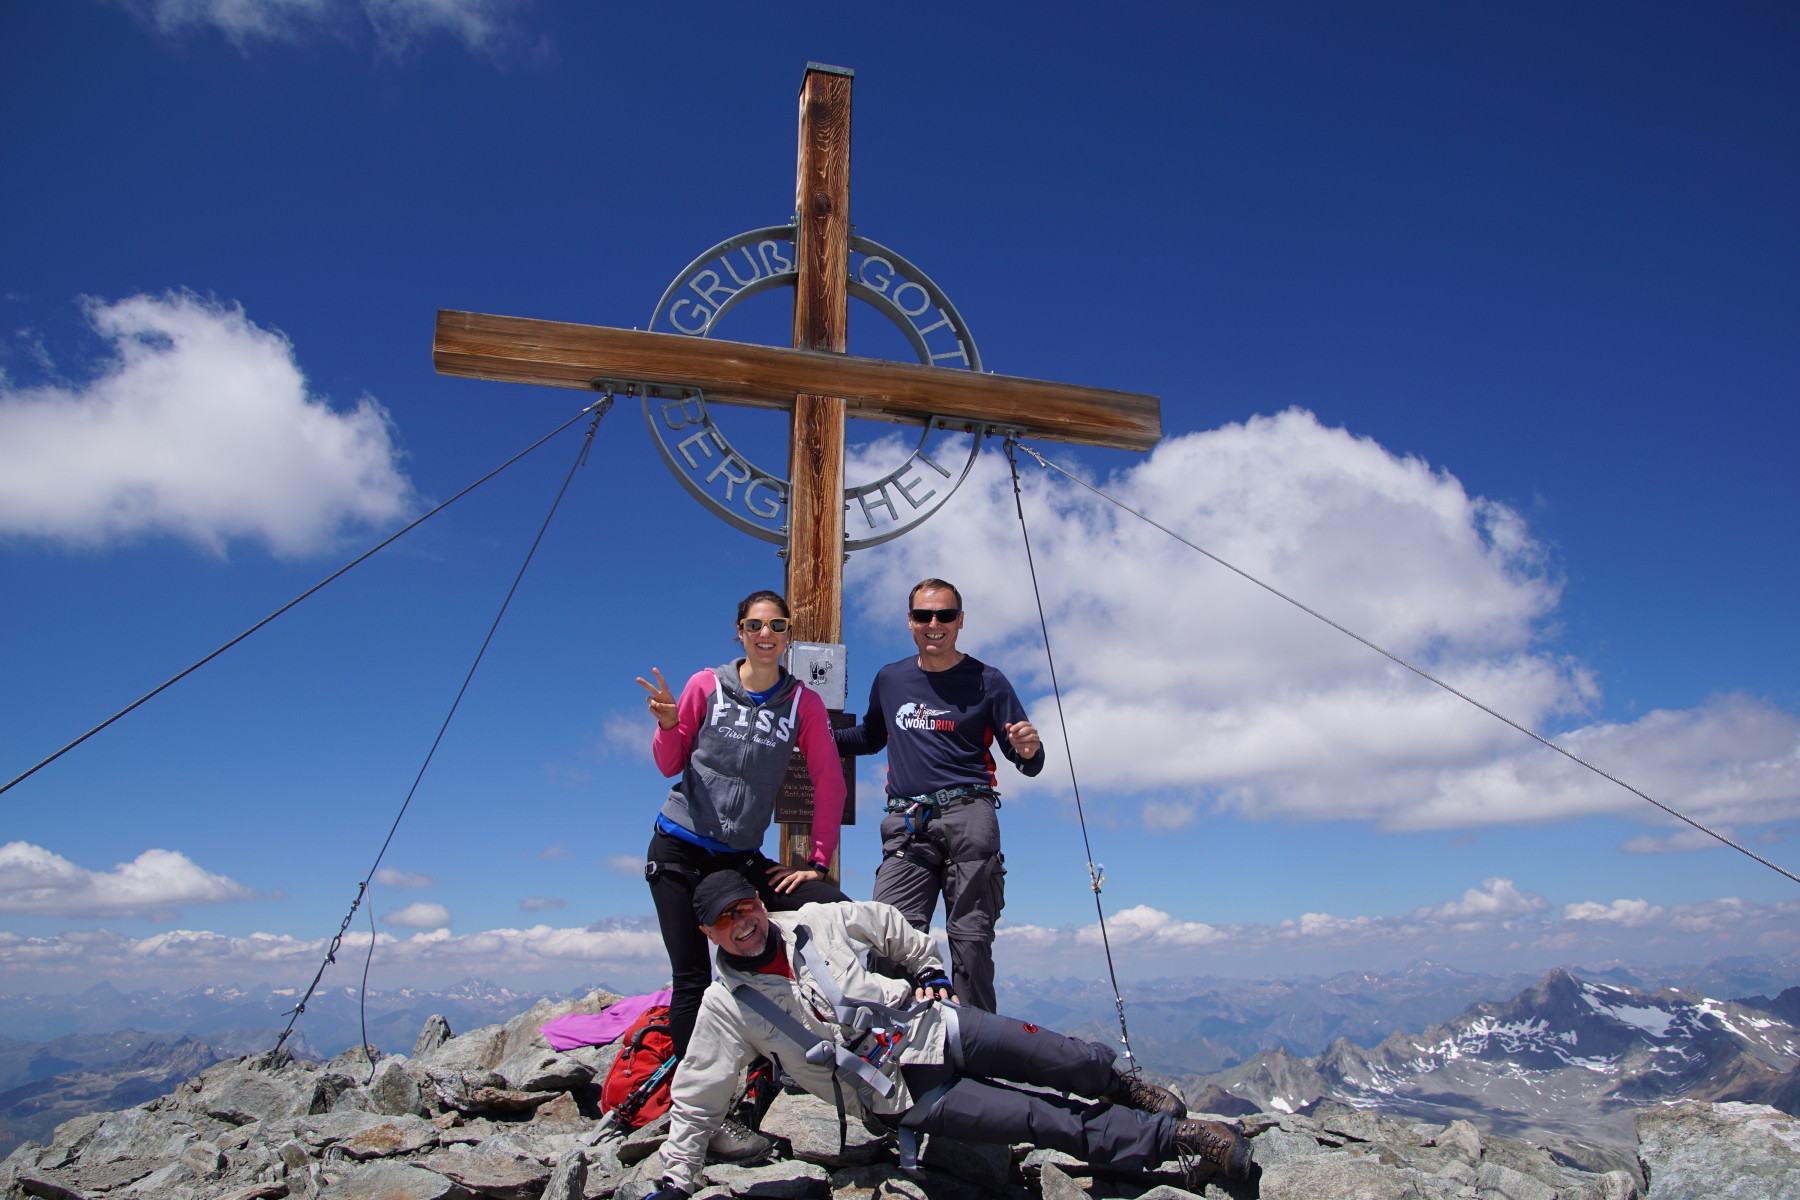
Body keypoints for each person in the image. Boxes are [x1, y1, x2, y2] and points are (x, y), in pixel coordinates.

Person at [645, 871, 1253, 1198]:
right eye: (724, 922)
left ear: (757, 902)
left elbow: (885, 924)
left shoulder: (815, 922)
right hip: (900, 1095)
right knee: (1046, 1121)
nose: (740, 925)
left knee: (1056, 1053)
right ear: (707, 933)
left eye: (742, 909)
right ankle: (1179, 1140)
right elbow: (699, 1093)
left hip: (934, 1025)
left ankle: (1124, 1085)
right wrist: (676, 1179)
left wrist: (927, 966)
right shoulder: (726, 1006)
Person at [636, 589, 851, 1060]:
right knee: (692, 977)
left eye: (776, 626)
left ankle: (839, 1033)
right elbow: (670, 765)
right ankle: (692, 1104)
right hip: (677, 847)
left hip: (737, 858)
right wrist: (669, 726)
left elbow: (829, 781)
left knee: (832, 908)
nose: (765, 635)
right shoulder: (705, 685)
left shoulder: (802, 703)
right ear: (740, 633)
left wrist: (817, 861)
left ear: (788, 634)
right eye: (755, 626)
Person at [835, 578, 1042, 1012]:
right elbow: (872, 736)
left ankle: (980, 1051)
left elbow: (1023, 758)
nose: (934, 624)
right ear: (909, 621)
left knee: (970, 941)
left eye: (945, 615)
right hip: (907, 823)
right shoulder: (891, 679)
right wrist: (815, 735)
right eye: (923, 615)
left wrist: (1030, 750)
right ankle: (891, 1045)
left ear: (960, 621)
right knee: (891, 935)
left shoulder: (989, 680)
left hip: (970, 817)